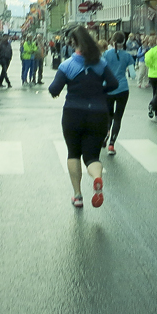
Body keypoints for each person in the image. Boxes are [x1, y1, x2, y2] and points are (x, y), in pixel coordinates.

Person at [49, 26, 118, 209]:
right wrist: (99, 92)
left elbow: (54, 89)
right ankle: (97, 178)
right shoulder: (101, 64)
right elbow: (113, 83)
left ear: (73, 43)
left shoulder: (67, 65)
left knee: (73, 153)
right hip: (98, 114)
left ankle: (78, 195)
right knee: (92, 156)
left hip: (73, 113)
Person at [102, 32, 135, 156]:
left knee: (108, 116)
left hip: (108, 88)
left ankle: (105, 135)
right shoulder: (127, 56)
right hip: (122, 89)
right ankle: (112, 144)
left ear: (112, 41)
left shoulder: (105, 54)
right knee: (118, 117)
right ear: (124, 42)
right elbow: (133, 75)